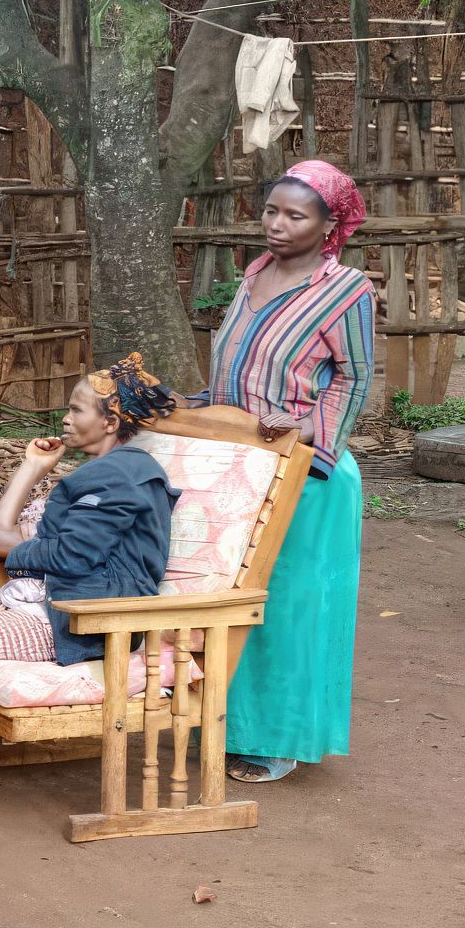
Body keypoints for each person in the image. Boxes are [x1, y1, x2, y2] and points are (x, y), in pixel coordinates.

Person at [189, 159, 376, 783]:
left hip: (305, 476)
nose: (276, 224)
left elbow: (354, 378)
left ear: (329, 225)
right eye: (271, 210)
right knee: (233, 598)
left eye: (296, 215)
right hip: (241, 463)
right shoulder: (255, 273)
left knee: (290, 604)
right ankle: (227, 724)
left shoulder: (347, 290)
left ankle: (277, 741)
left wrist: (306, 435)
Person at [0, 356, 182, 752]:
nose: (65, 418)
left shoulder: (122, 475)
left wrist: (15, 548)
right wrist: (31, 468)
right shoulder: (101, 472)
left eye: (76, 409)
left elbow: (73, 556)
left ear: (110, 421)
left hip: (83, 616)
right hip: (46, 598)